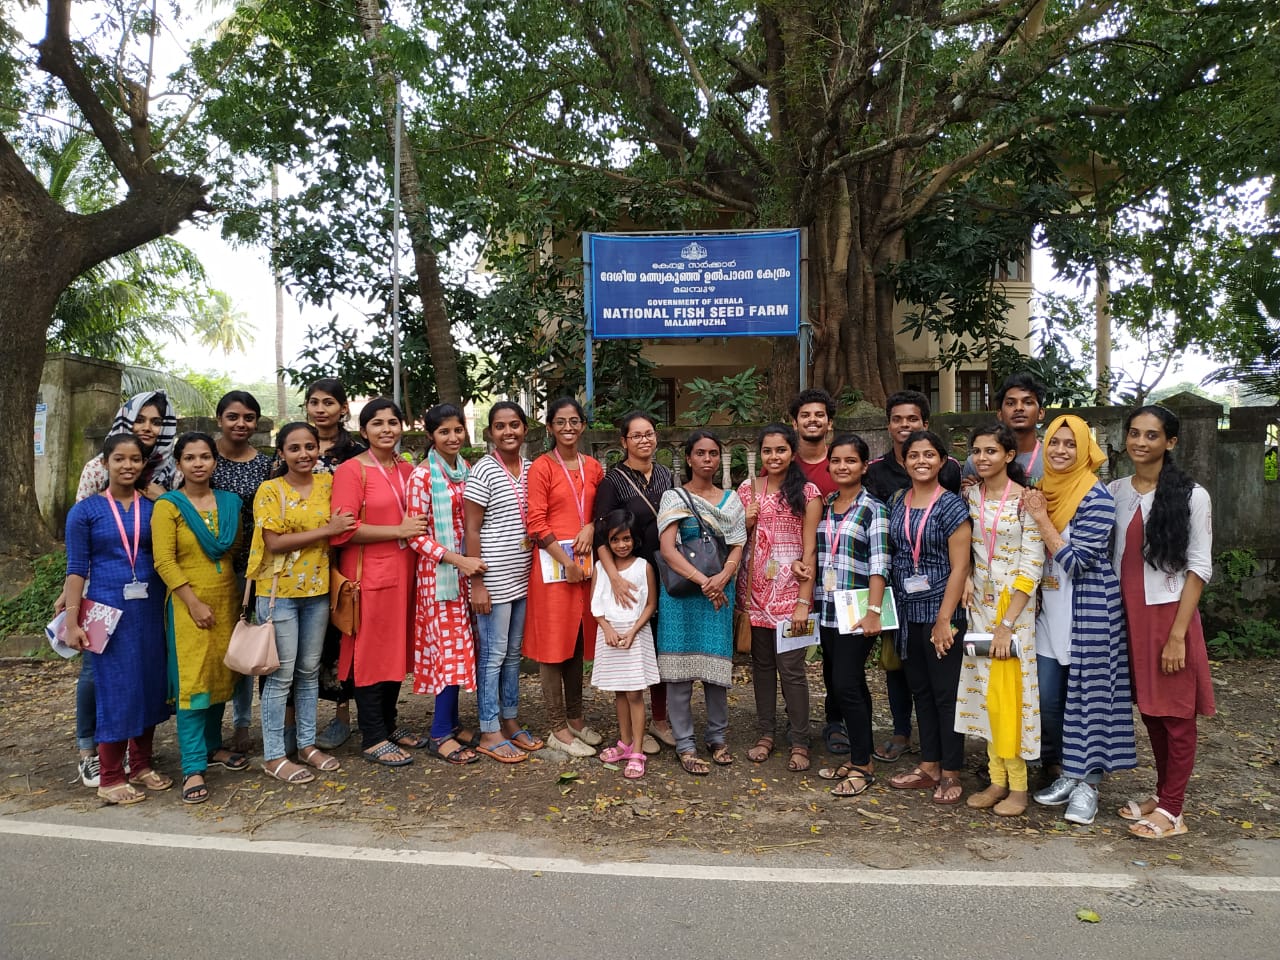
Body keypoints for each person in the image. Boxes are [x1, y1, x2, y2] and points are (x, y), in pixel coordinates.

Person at [1023, 415, 1137, 825]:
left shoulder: (1096, 496)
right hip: (1049, 613)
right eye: (1055, 442)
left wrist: (1041, 520)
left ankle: (1088, 783)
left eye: (1071, 444)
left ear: (1086, 450)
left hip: (1090, 611)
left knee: (1090, 700)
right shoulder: (1043, 492)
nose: (1061, 451)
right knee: (1051, 701)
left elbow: (1077, 559)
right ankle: (1069, 772)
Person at [1109, 405, 1215, 840]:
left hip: (1169, 617)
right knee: (1151, 711)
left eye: (1151, 435)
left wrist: (1177, 637)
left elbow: (1199, 568)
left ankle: (1174, 810)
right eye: (1134, 433)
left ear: (1169, 442)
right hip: (1127, 615)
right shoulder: (1116, 490)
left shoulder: (1193, 496)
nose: (1140, 442)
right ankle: (1163, 792)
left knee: (1174, 713)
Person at [66, 390, 179, 787]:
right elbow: (77, 568)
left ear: (144, 462)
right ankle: (111, 776)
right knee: (113, 686)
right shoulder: (86, 512)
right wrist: (71, 618)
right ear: (106, 463)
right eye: (120, 459)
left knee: (149, 683)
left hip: (148, 610)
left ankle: (142, 764)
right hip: (104, 608)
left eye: (135, 459)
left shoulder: (155, 508)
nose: (128, 465)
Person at [249, 422, 354, 784]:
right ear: (281, 453)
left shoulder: (328, 485)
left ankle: (307, 745)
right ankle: (274, 754)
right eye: (294, 448)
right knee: (280, 677)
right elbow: (274, 542)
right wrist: (329, 529)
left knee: (308, 673)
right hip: (278, 594)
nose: (304, 454)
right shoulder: (270, 490)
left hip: (317, 593)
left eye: (310, 447)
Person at [863, 389, 961, 764]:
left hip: (940, 599)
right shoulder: (884, 483)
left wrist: (947, 612)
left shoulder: (951, 483)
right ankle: (913, 744)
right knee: (904, 672)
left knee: (942, 686)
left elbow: (960, 553)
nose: (905, 426)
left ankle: (947, 764)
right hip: (901, 598)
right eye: (898, 419)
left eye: (913, 419)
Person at [330, 399, 428, 768]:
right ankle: (372, 736)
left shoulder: (407, 469)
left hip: (405, 573)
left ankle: (389, 725)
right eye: (377, 424)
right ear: (363, 430)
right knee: (369, 654)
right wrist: (397, 530)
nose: (386, 429)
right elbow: (343, 530)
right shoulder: (352, 471)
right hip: (367, 575)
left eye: (393, 422)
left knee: (395, 651)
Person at [153, 432, 247, 804]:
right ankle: (192, 767)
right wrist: (191, 602)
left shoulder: (230, 502)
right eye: (189, 457)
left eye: (205, 456)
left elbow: (234, 548)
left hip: (226, 600)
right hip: (187, 605)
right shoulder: (169, 506)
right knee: (192, 684)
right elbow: (164, 560)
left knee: (221, 676)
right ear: (178, 464)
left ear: (214, 462)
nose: (198, 463)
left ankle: (213, 746)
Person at [957, 424, 1044, 817]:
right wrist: (966, 585)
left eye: (991, 451)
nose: (982, 458)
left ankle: (1019, 788)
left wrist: (1008, 623)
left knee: (1012, 698)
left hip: (1014, 613)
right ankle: (996, 780)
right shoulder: (970, 496)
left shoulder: (1027, 501)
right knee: (986, 696)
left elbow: (1032, 565)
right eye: (977, 451)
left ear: (1010, 456)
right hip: (980, 607)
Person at [885, 430, 972, 805]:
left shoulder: (952, 506)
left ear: (942, 461)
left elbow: (960, 567)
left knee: (945, 694)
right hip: (907, 611)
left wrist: (944, 619)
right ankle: (929, 764)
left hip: (942, 611)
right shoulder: (896, 500)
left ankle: (951, 771)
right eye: (914, 455)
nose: (921, 461)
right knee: (919, 690)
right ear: (903, 462)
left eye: (929, 455)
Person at [655, 431, 747, 776]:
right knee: (679, 673)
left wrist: (723, 577)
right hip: (682, 593)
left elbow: (738, 543)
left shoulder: (732, 500)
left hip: (720, 591)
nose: (707, 459)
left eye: (713, 453)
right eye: (700, 453)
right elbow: (667, 549)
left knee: (716, 669)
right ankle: (685, 744)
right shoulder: (673, 497)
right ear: (689, 459)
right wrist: (704, 581)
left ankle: (717, 737)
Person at [738, 423, 822, 773]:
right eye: (768, 451)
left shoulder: (807, 492)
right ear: (761, 454)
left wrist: (804, 599)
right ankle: (766, 734)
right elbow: (734, 539)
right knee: (762, 667)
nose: (774, 456)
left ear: (792, 452)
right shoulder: (747, 490)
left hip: (791, 595)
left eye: (781, 450)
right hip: (754, 593)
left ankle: (800, 740)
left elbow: (811, 548)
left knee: (792, 670)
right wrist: (745, 521)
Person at [406, 403, 487, 765]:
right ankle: (439, 734)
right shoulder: (422, 477)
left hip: (466, 572)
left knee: (461, 647)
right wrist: (458, 561)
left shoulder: (464, 470)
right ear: (431, 436)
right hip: (440, 576)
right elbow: (415, 538)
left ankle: (451, 723)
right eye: (444, 432)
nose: (453, 437)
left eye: (457, 430)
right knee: (450, 650)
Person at [525, 397, 605, 758]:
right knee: (552, 647)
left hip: (586, 565)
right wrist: (565, 560)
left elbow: (601, 511)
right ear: (550, 428)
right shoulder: (542, 467)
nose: (568, 428)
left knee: (576, 641)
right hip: (552, 568)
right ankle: (557, 726)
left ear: (583, 425)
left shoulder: (594, 467)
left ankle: (576, 717)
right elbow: (536, 522)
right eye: (561, 422)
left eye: (574, 421)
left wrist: (590, 526)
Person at [592, 411, 676, 754]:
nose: (645, 440)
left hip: (663, 569)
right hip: (628, 574)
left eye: (650, 434)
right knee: (634, 645)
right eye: (637, 435)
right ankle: (632, 734)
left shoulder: (667, 475)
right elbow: (600, 532)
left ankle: (659, 720)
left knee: (658, 644)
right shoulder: (613, 481)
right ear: (623, 441)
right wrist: (613, 577)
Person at [464, 402, 543, 763]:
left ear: (525, 429)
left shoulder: (531, 470)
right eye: (500, 426)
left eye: (514, 425)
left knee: (512, 655)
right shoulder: (483, 470)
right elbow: (471, 529)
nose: (508, 432)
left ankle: (509, 719)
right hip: (492, 578)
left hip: (522, 577)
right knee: (492, 656)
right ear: (490, 433)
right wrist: (477, 583)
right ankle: (488, 728)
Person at [812, 433, 890, 798]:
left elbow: (879, 563)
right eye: (837, 461)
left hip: (857, 612)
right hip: (827, 609)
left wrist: (874, 612)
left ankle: (862, 766)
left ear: (863, 465)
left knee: (846, 684)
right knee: (845, 684)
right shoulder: (827, 504)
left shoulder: (874, 508)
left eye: (851, 461)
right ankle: (863, 755)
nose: (843, 467)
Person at [304, 379, 368, 751]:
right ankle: (292, 721)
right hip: (297, 557)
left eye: (329, 402)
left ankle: (342, 716)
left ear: (343, 408)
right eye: (314, 402)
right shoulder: (294, 445)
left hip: (343, 554)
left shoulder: (355, 452)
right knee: (297, 643)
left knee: (341, 632)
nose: (321, 409)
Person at [211, 389, 273, 756]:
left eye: (248, 418)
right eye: (233, 416)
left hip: (256, 566)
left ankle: (243, 724)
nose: (241, 424)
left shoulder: (265, 465)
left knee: (249, 641)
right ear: (220, 419)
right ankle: (209, 725)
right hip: (213, 565)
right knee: (217, 644)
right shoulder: (204, 457)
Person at [790, 389, 847, 755]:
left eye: (819, 415)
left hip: (839, 573)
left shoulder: (842, 462)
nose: (813, 420)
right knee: (792, 649)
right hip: (795, 573)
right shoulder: (783, 462)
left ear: (830, 422)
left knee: (837, 651)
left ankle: (836, 719)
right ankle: (795, 720)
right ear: (794, 422)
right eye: (806, 415)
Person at [591, 510, 659, 779]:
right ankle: (624, 741)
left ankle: (637, 750)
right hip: (609, 635)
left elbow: (652, 604)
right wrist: (607, 628)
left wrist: (632, 632)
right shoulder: (600, 568)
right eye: (615, 540)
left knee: (634, 693)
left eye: (627, 539)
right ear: (608, 541)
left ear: (635, 539)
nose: (622, 545)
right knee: (619, 691)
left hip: (635, 634)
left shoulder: (644, 567)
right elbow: (595, 605)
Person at [962, 373, 1048, 485]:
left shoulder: (1052, 460)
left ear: (1040, 413)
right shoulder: (978, 461)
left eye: (1027, 402)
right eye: (1010, 403)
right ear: (1000, 414)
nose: (1019, 408)